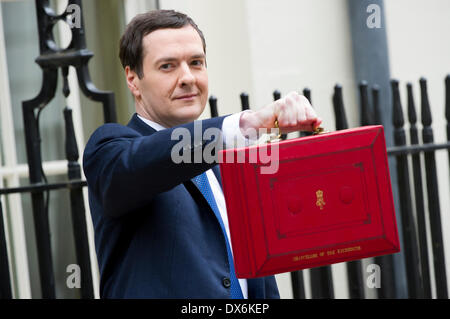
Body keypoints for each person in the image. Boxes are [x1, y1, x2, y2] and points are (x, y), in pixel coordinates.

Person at [83, 9, 322, 299]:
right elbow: (144, 164)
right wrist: (245, 124)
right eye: (168, 66)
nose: (187, 78)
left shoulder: (229, 162)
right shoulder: (111, 149)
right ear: (133, 79)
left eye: (196, 63)